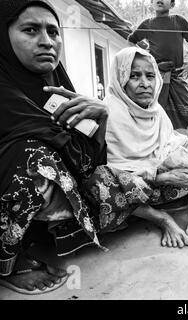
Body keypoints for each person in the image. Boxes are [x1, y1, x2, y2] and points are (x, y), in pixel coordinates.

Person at [0, 0, 109, 294]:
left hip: (32, 205)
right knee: (32, 156)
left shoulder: (54, 88)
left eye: (53, 31)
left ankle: (39, 235)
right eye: (30, 30)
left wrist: (100, 117)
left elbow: (92, 164)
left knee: (113, 184)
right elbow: (71, 156)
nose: (46, 41)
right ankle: (7, 258)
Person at [86, 47, 188, 248]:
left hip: (164, 188)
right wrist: (160, 177)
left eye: (150, 76)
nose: (145, 84)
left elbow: (169, 144)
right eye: (134, 76)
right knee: (99, 181)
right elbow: (106, 168)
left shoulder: (156, 110)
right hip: (133, 193)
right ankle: (162, 218)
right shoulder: (108, 112)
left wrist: (180, 157)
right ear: (121, 78)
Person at [127, 0, 188, 130]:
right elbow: (131, 41)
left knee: (187, 113)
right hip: (157, 77)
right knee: (156, 112)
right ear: (152, 2)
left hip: (177, 77)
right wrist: (145, 58)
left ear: (172, 5)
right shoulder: (147, 24)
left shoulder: (179, 21)